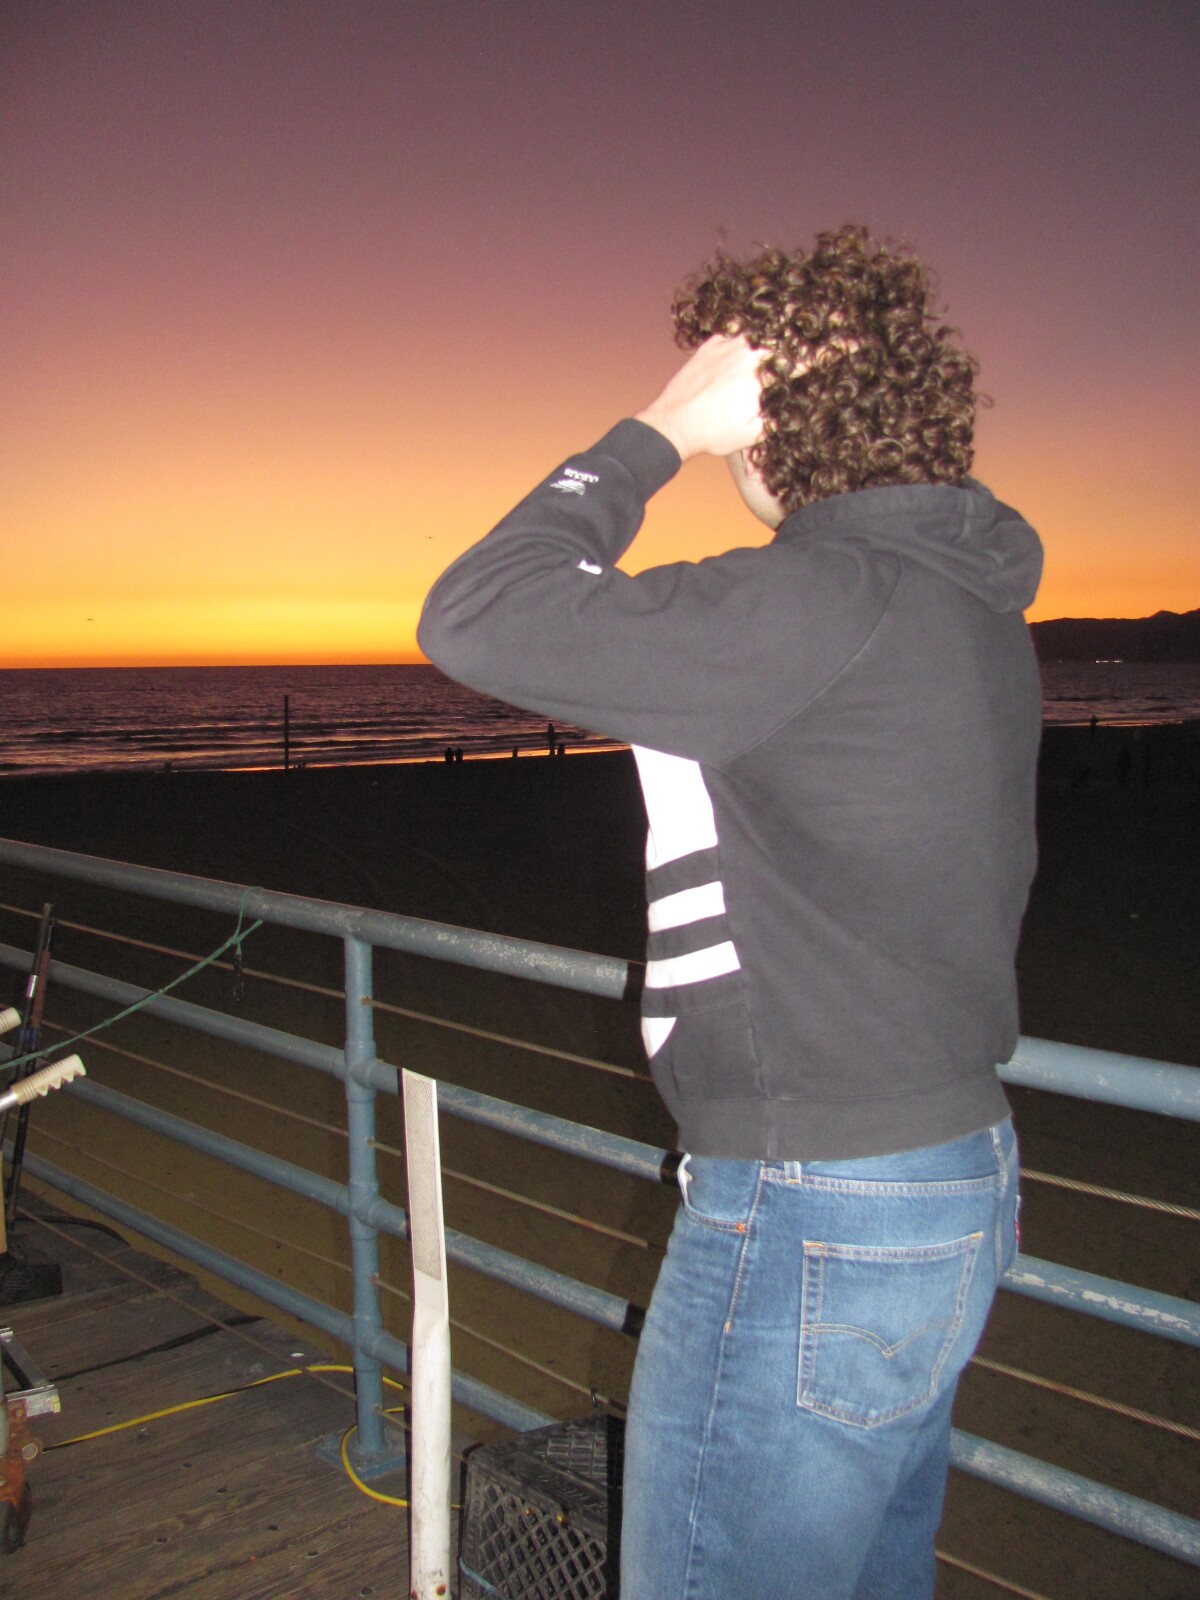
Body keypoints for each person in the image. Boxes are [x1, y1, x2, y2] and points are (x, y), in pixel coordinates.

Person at [418, 223, 1042, 1600]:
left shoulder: (816, 603)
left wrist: (654, 432)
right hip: (949, 1178)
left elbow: (478, 612)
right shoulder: (968, 602)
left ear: (766, 414)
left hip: (817, 1202)